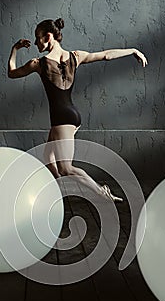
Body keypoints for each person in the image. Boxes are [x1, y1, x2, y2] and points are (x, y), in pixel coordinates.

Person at [8, 18, 148, 202]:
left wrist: (15, 49)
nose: (35, 43)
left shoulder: (38, 64)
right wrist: (132, 50)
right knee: (47, 156)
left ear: (48, 37)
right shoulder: (75, 56)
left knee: (66, 167)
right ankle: (60, 190)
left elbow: (12, 73)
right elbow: (105, 55)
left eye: (38, 38)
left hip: (61, 119)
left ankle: (101, 191)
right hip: (71, 115)